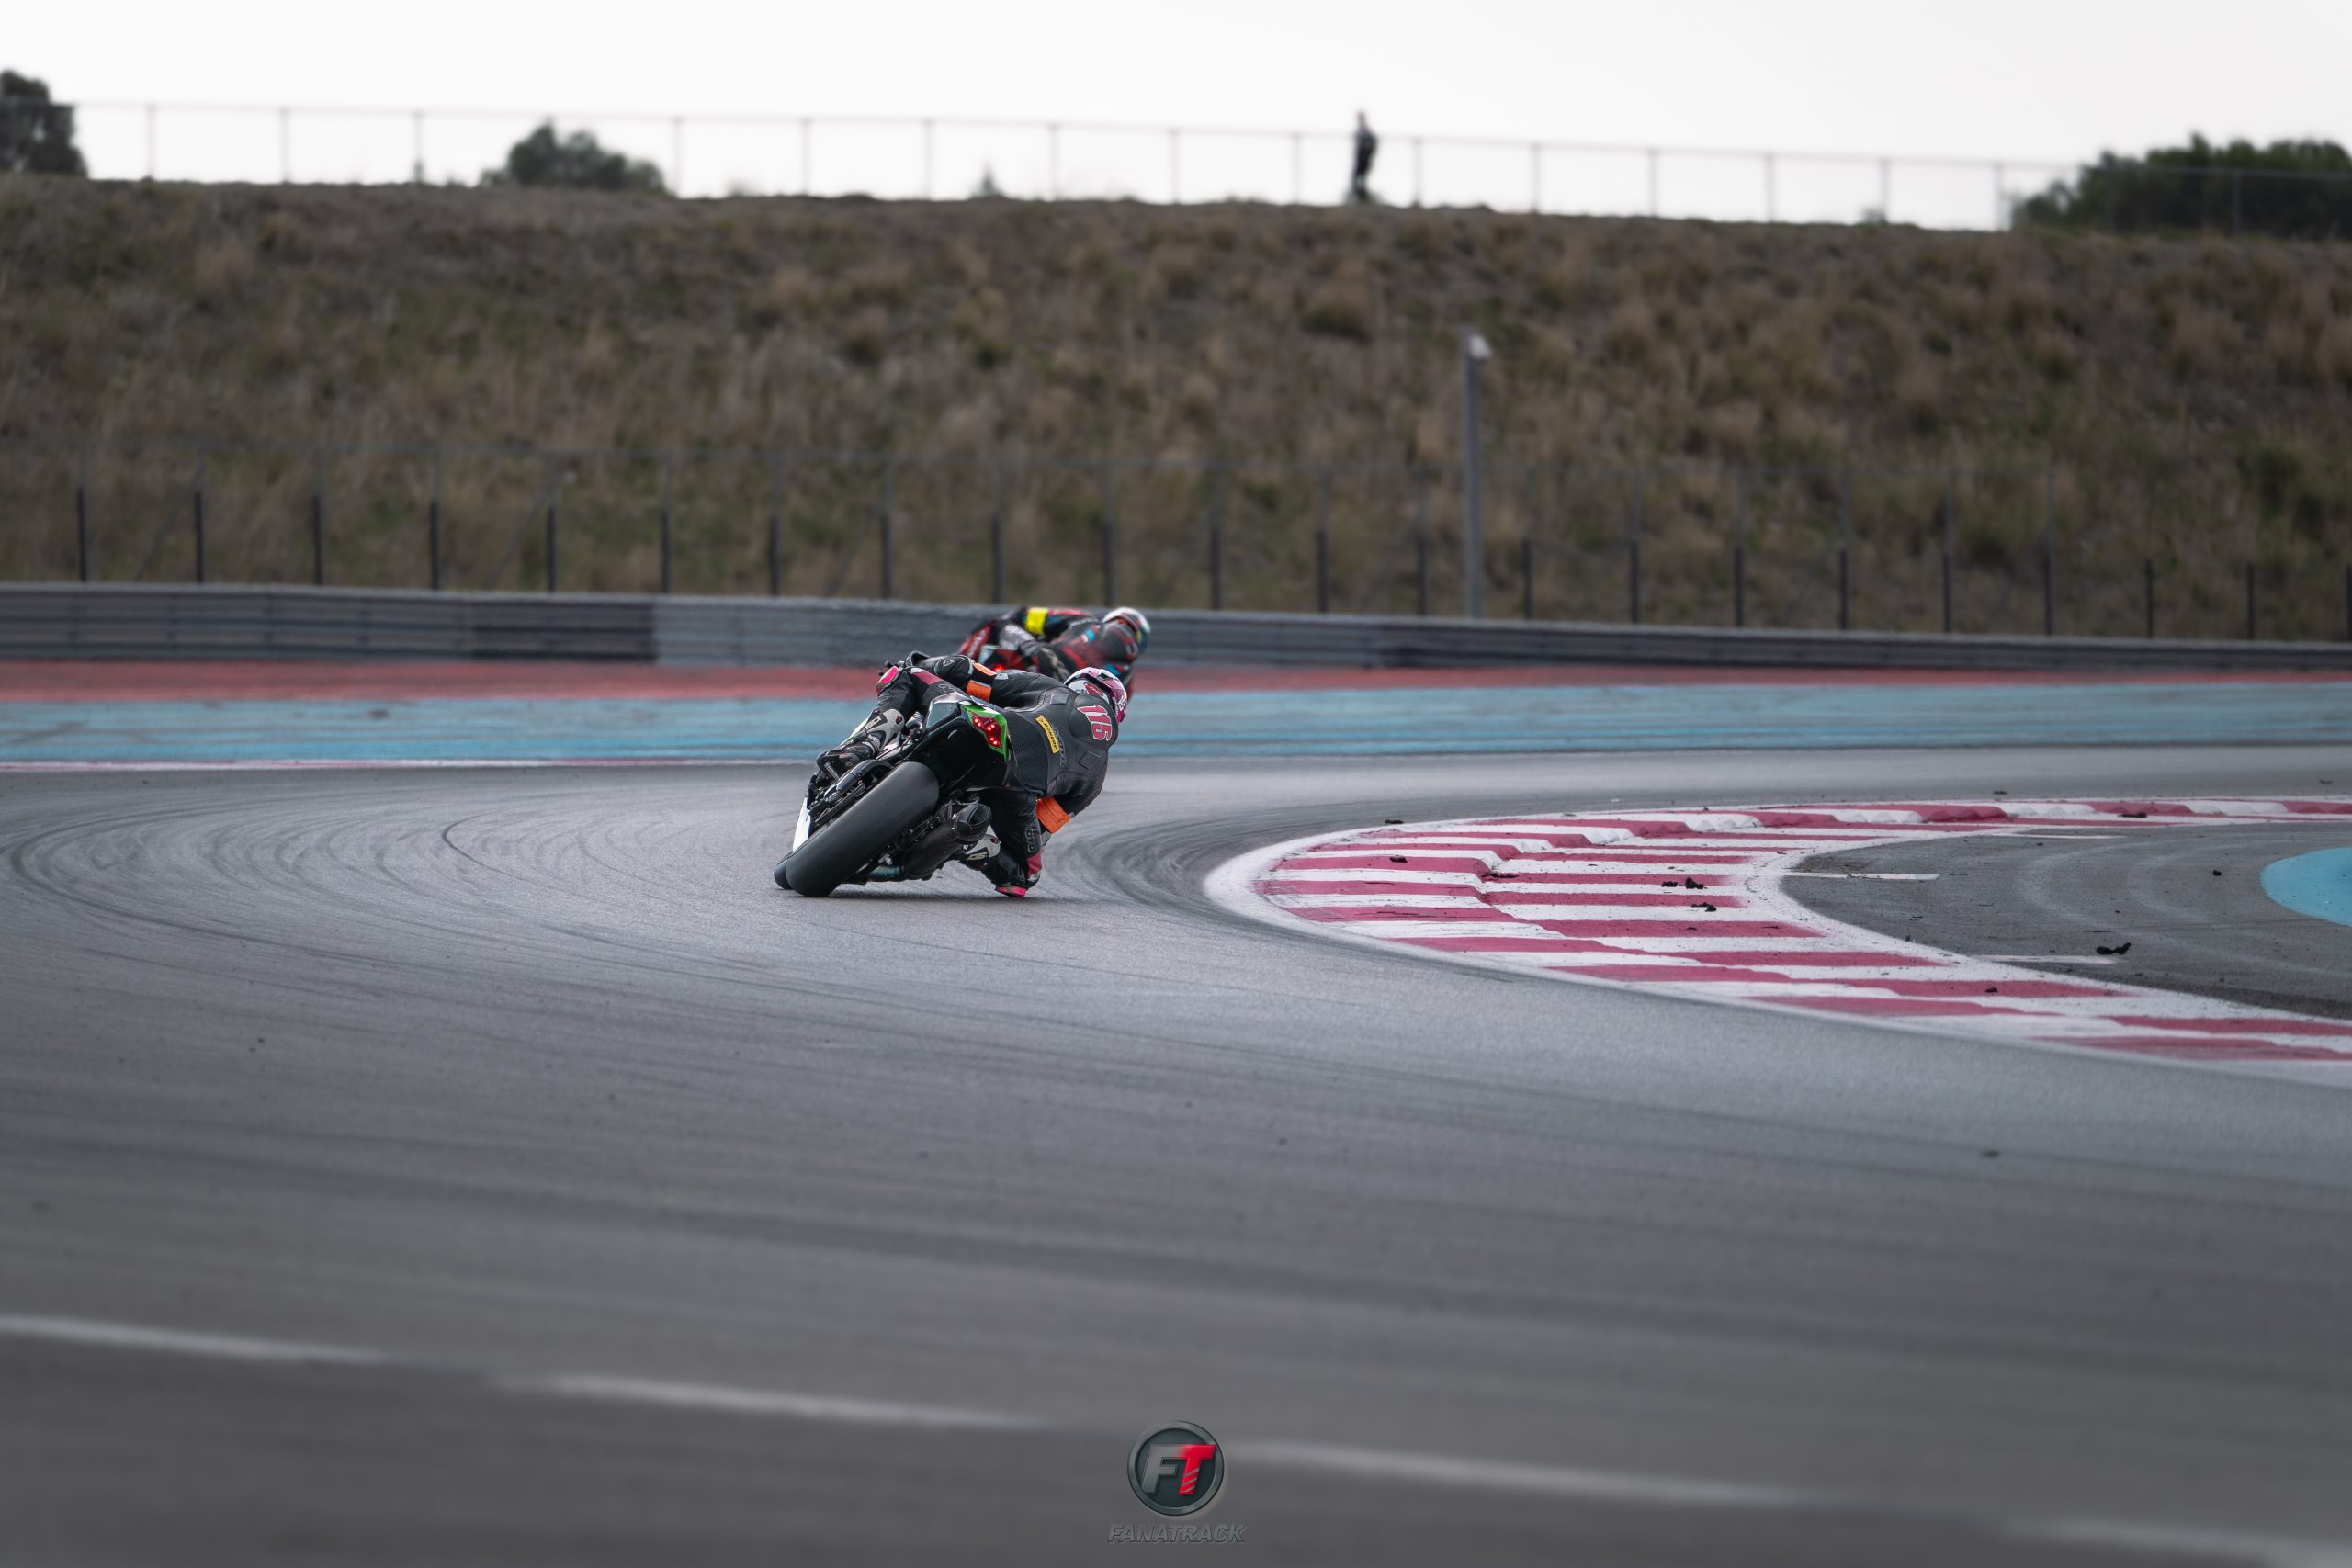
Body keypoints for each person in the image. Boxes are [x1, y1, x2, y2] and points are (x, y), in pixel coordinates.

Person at [818, 652, 1127, 897]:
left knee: (908, 673)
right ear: (1116, 714)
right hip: (1015, 787)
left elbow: (977, 677)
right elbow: (1042, 827)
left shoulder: (1054, 689)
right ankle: (969, 840)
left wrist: (927, 664)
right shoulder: (1096, 778)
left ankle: (861, 747)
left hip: (994, 730)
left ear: (1078, 683)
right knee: (1023, 876)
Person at [958, 604, 1150, 686]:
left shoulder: (1082, 619)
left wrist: (1031, 643)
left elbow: (1025, 615)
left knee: (995, 624)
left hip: (1038, 660)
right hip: (1064, 701)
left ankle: (959, 668)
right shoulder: (1127, 679)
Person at [1350, 111, 1378, 204]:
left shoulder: (1365, 131)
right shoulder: (1361, 130)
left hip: (1363, 156)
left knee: (1360, 176)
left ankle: (1361, 195)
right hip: (1360, 156)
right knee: (1358, 176)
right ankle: (1359, 194)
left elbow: (1371, 143)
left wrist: (1367, 152)